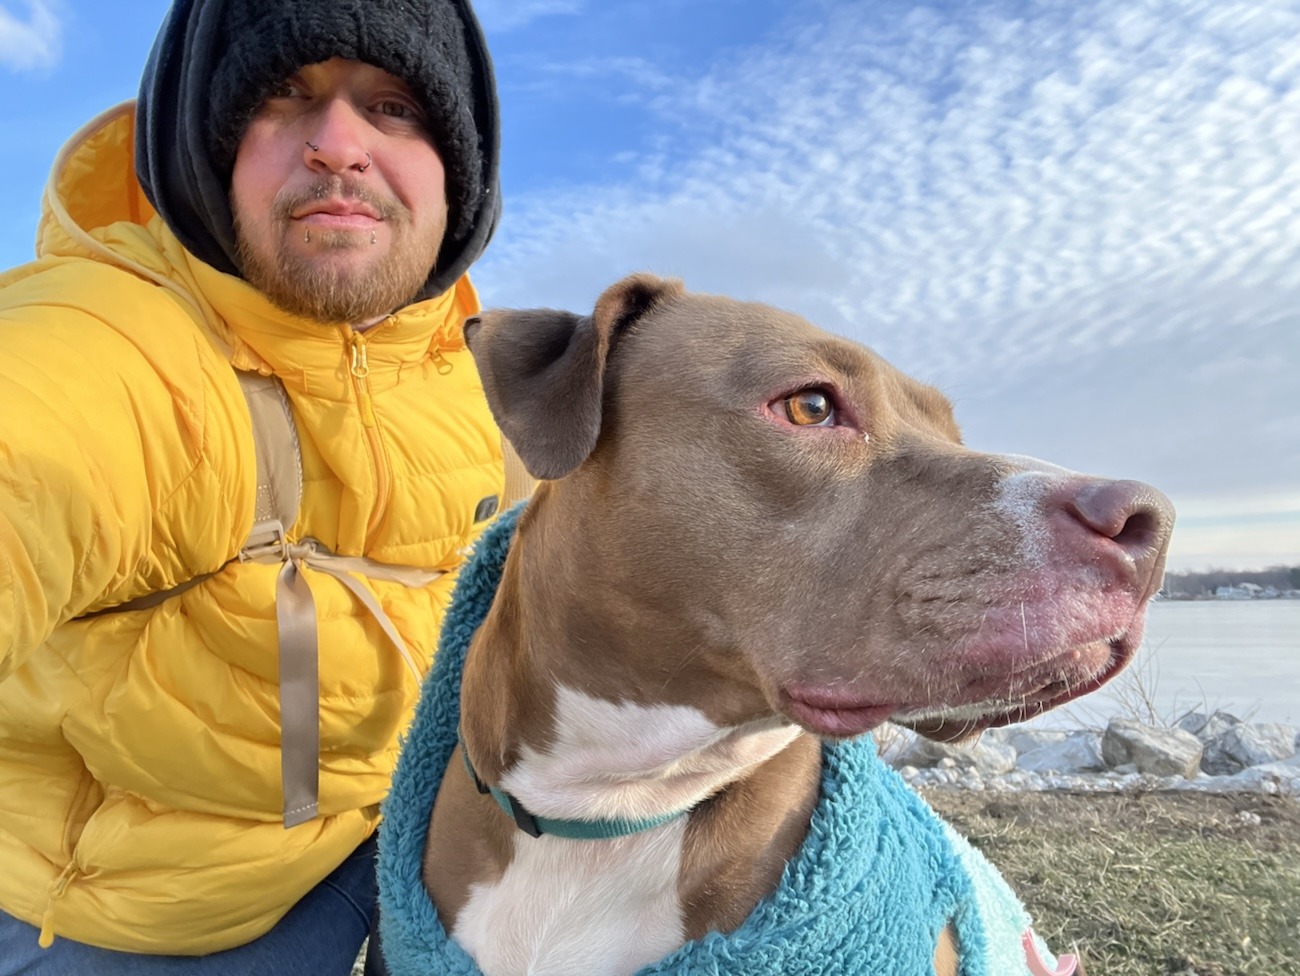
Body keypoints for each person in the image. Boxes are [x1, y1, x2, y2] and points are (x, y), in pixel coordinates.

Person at [0, 0, 505, 972]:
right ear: (205, 145)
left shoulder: (463, 363)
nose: (341, 145)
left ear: (460, 170)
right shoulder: (135, 348)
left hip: (384, 833)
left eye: (396, 106)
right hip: (156, 918)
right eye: (283, 93)